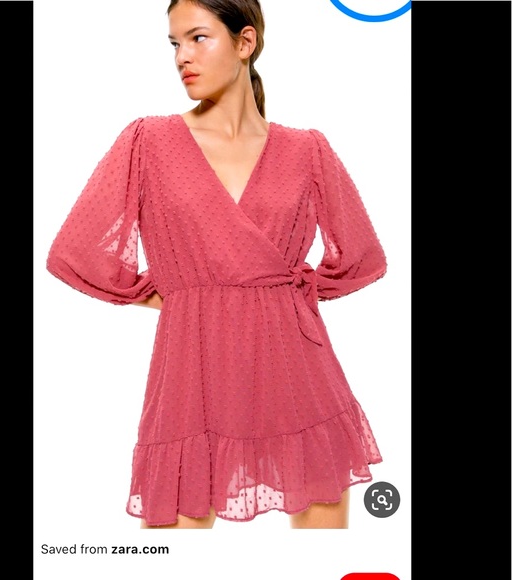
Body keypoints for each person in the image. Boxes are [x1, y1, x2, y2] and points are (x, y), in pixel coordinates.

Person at [46, 0, 387, 529]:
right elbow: (77, 253)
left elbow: (362, 256)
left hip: (298, 371)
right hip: (192, 370)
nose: (182, 56)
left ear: (245, 42)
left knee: (322, 547)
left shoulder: (307, 149)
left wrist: (279, 295)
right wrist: (184, 294)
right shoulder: (148, 140)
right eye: (174, 43)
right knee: (175, 539)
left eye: (198, 38)